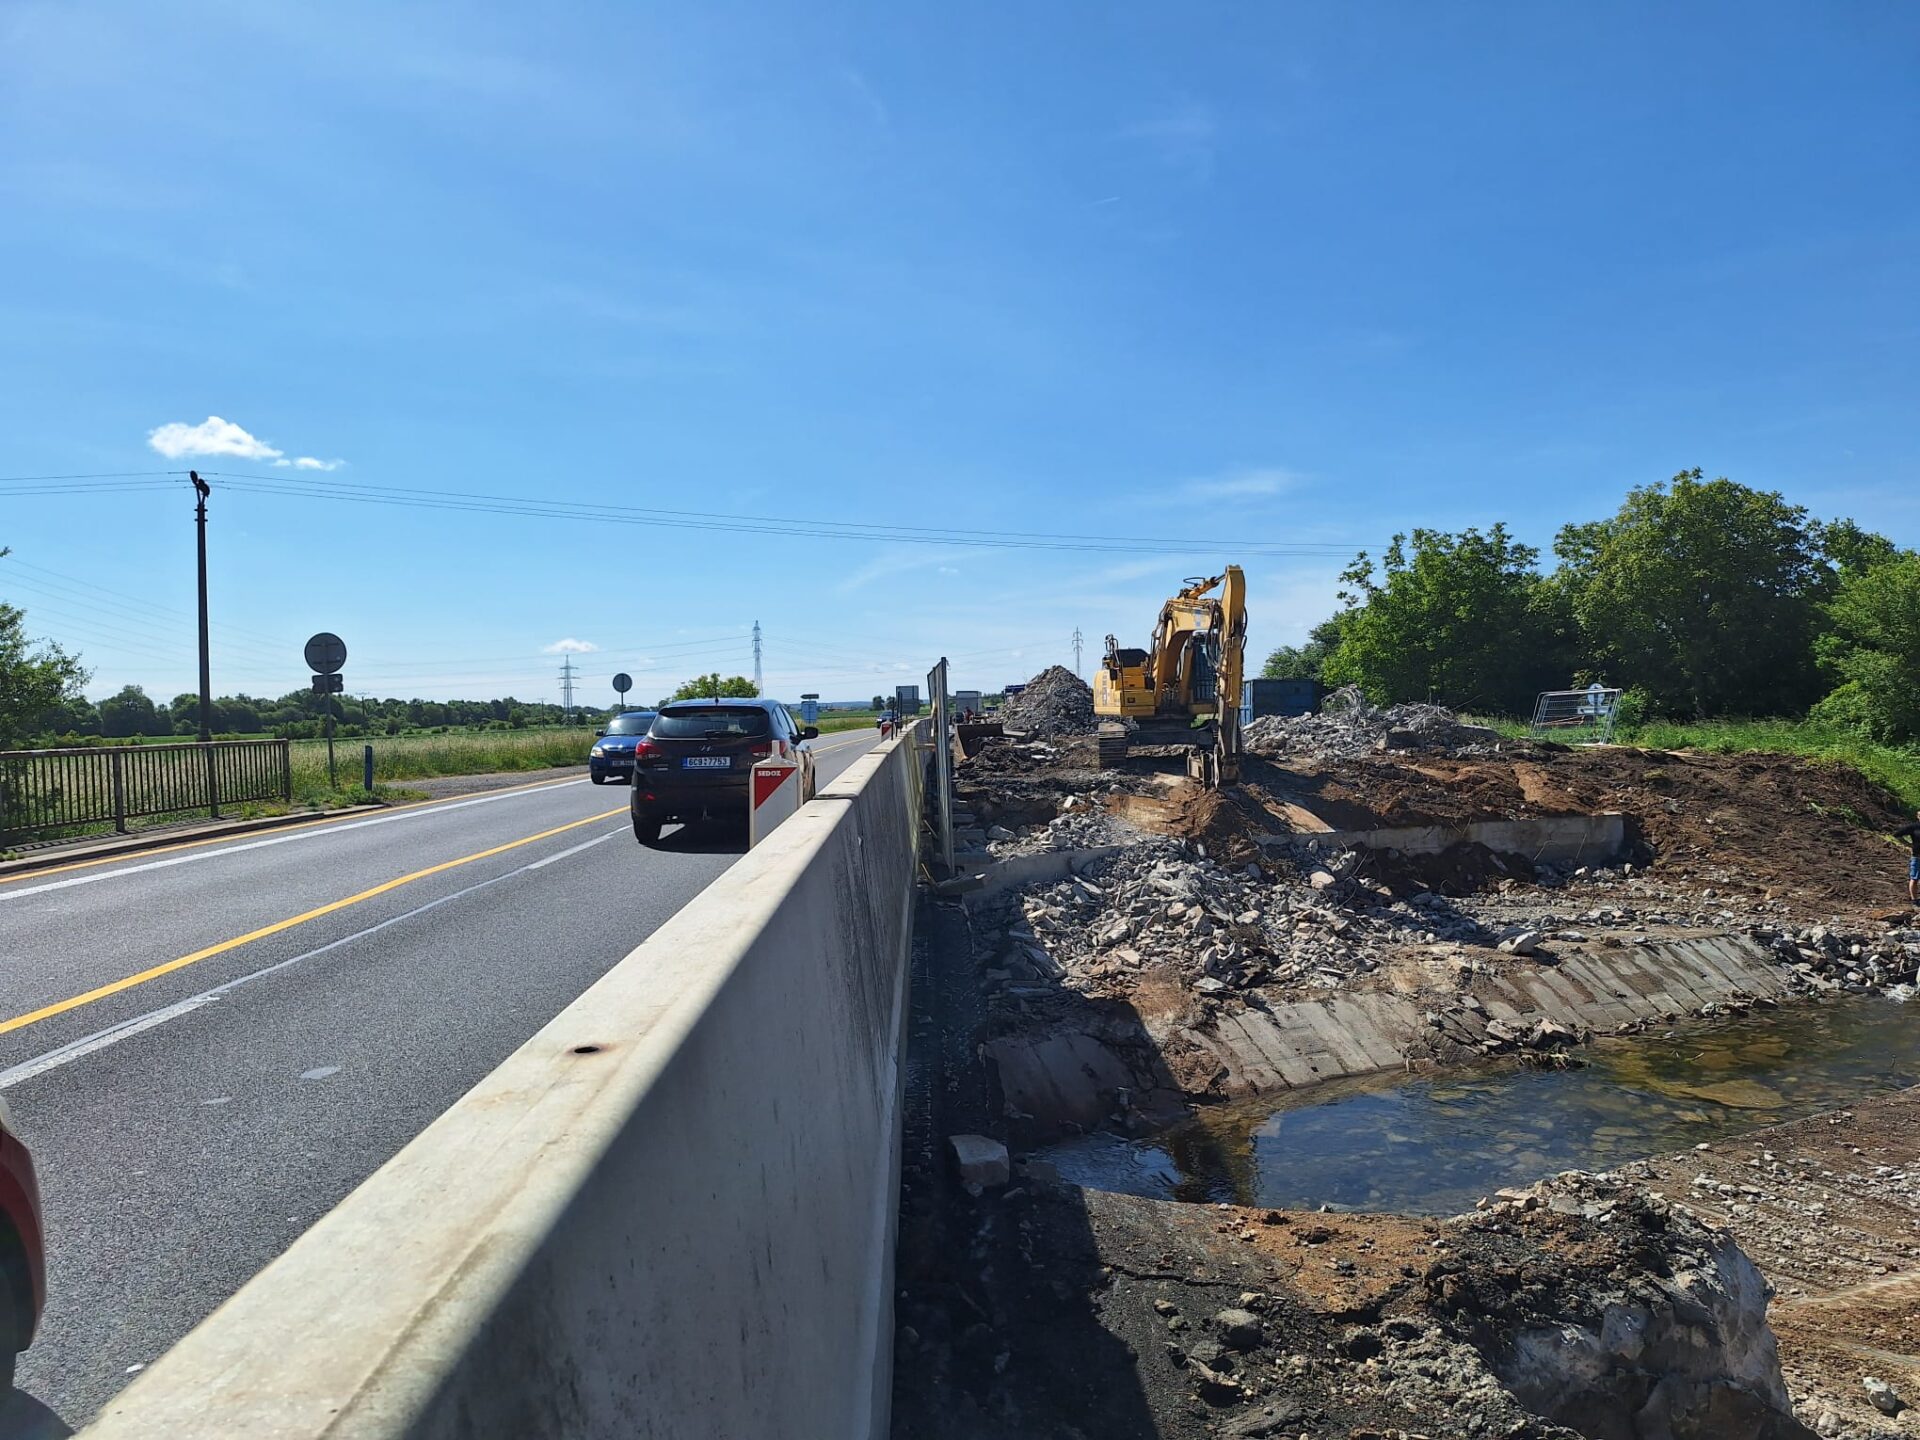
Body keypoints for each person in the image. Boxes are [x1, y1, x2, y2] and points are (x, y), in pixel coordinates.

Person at [1894, 811, 1920, 903]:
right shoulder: (1913, 827)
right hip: (1917, 857)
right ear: (1918, 816)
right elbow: (1897, 834)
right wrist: (1907, 844)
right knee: (1914, 878)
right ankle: (1914, 900)